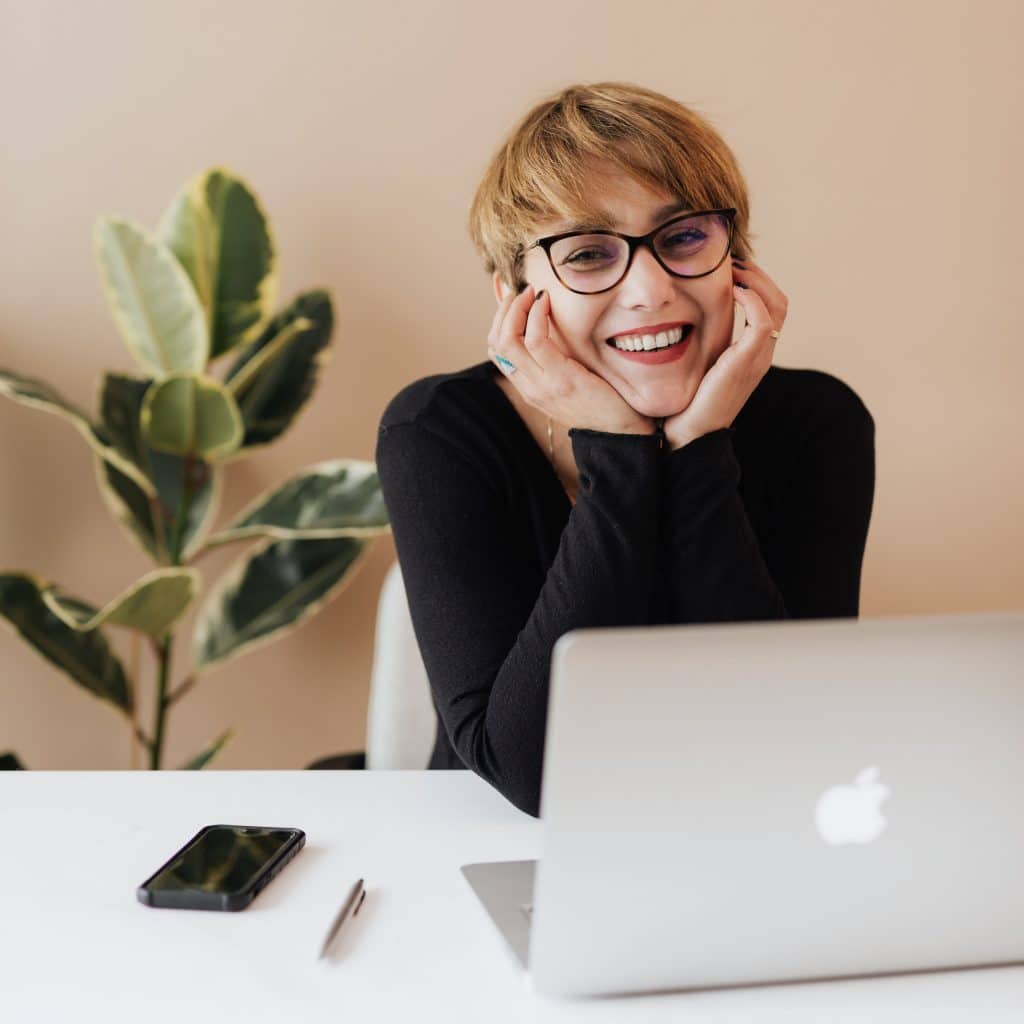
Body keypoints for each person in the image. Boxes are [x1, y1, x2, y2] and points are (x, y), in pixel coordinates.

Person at [375, 82, 875, 818]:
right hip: (495, 850)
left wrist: (698, 448)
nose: (649, 290)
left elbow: (792, 737)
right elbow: (531, 775)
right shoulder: (439, 432)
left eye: (682, 239)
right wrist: (618, 451)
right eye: (586, 254)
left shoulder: (817, 421)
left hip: (742, 834)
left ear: (737, 261)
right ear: (516, 294)